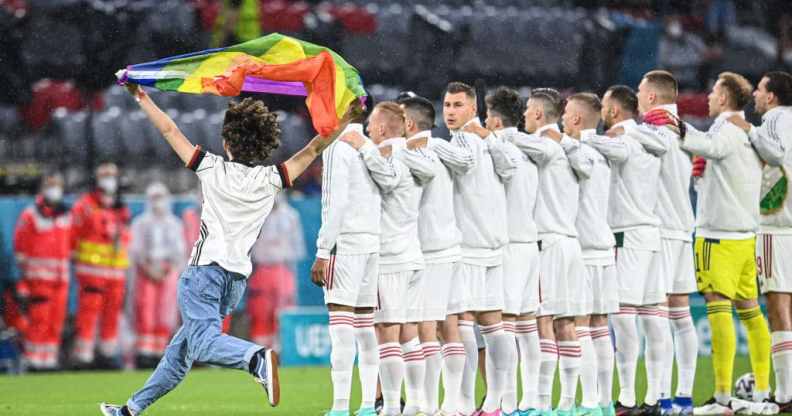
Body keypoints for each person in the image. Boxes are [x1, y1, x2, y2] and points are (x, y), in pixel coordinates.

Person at [99, 83, 355, 416]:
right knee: (181, 352)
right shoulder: (272, 178)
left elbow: (168, 129)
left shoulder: (211, 167)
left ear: (226, 142)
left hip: (204, 271)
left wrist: (140, 96)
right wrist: (349, 116)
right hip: (235, 280)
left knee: (203, 342)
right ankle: (131, 410)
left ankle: (254, 359)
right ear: (264, 144)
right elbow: (313, 148)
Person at [339, 101, 431, 416]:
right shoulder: (414, 154)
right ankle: (417, 403)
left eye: (369, 129)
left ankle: (391, 406)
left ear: (379, 129)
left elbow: (388, 179)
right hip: (413, 255)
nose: (366, 133)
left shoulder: (389, 155)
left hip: (390, 258)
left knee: (386, 334)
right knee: (408, 334)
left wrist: (363, 145)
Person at [443, 81, 517, 416]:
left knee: (463, 323)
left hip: (470, 245)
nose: (450, 112)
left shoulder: (463, 139)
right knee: (493, 324)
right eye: (446, 105)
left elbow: (464, 162)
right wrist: (491, 138)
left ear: (474, 109)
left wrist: (424, 146)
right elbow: (510, 167)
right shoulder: (491, 141)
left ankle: (465, 402)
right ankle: (495, 402)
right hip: (493, 244)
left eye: (458, 105)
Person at [511, 88, 585, 416]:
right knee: (566, 325)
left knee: (543, 322)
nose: (524, 115)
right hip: (571, 242)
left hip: (549, 244)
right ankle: (567, 403)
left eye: (527, 110)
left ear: (539, 114)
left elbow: (509, 139)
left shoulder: (546, 145)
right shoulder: (574, 148)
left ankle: (540, 403)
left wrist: (492, 132)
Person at [727, 70, 792, 413]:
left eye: (760, 90)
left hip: (776, 228)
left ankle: (784, 396)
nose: (754, 95)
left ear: (771, 97)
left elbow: (775, 156)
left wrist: (748, 129)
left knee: (778, 309)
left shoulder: (769, 122)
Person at [400, 95, 469, 416]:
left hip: (431, 251)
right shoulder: (446, 151)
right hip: (451, 246)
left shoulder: (418, 152)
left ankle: (429, 405)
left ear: (409, 124)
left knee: (427, 327)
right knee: (450, 325)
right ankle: (452, 403)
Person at [310, 109, 381, 416]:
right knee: (366, 331)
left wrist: (323, 250)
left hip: (346, 244)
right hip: (371, 244)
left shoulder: (338, 146)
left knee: (341, 331)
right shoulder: (369, 146)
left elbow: (334, 203)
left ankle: (340, 407)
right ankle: (367, 405)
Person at [599, 85, 662, 416]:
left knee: (622, 318)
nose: (602, 109)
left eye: (606, 105)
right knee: (651, 317)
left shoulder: (621, 140)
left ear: (616, 110)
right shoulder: (649, 138)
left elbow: (612, 151)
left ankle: (625, 397)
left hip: (628, 234)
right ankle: (653, 399)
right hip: (651, 233)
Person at [633, 70, 693, 415]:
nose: (639, 97)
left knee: (653, 315)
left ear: (652, 97)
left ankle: (659, 397)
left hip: (662, 230)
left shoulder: (652, 130)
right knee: (680, 315)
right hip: (683, 227)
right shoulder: (687, 130)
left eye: (641, 91)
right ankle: (681, 399)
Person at [560, 92, 623, 416]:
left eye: (565, 113)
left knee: (580, 326)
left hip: (583, 248)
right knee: (600, 327)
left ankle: (587, 404)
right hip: (604, 245)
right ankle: (604, 402)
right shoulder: (605, 150)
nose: (561, 118)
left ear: (575, 119)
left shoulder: (575, 150)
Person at [480, 87, 540, 416]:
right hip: (529, 244)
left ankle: (504, 402)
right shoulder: (534, 146)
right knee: (526, 326)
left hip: (510, 247)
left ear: (496, 120)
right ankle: (529, 401)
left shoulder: (500, 146)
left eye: (487, 115)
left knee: (501, 327)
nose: (484, 121)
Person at [71, 162, 131, 370]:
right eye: (104, 174)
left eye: (112, 175)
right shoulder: (85, 206)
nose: (109, 178)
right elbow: (73, 237)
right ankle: (84, 356)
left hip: (115, 272)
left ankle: (107, 354)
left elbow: (125, 239)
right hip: (92, 271)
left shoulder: (120, 208)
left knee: (112, 315)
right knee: (88, 314)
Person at [13, 172, 71, 370]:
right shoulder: (30, 215)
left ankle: (49, 360)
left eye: (57, 185)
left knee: (56, 323)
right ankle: (34, 361)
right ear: (42, 189)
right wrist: (24, 282)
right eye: (50, 185)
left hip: (61, 280)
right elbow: (20, 250)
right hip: (38, 280)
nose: (55, 189)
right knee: (39, 322)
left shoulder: (65, 215)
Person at [129, 182, 185, 369]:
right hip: (146, 272)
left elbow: (179, 251)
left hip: (167, 271)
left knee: (165, 312)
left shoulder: (174, 224)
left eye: (160, 198)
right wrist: (149, 268)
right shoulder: (140, 223)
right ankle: (145, 352)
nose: (157, 202)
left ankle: (160, 350)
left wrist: (166, 269)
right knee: (146, 311)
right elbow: (136, 251)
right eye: (154, 198)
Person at [248, 193, 305, 349]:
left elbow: (298, 247)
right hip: (260, 269)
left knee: (284, 313)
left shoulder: (291, 216)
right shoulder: (255, 215)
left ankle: (284, 350)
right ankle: (261, 352)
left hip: (284, 269)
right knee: (260, 313)